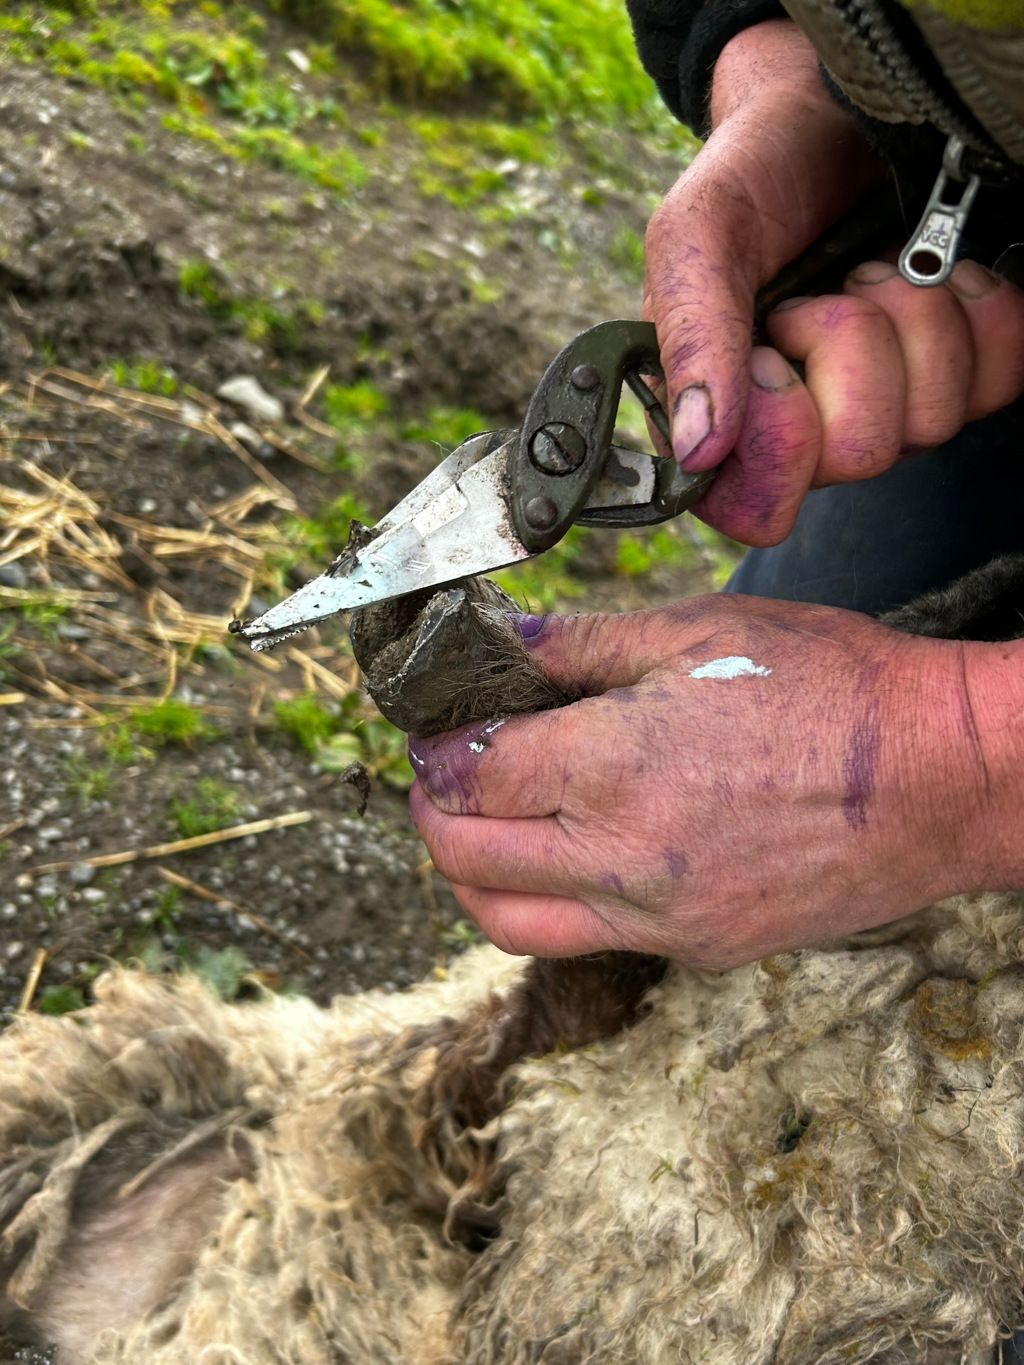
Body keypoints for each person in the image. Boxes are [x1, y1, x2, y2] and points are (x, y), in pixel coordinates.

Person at [408, 4, 1024, 970]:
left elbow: (930, 757)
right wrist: (793, 85)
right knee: (697, 795)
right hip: (978, 213)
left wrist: (956, 756)